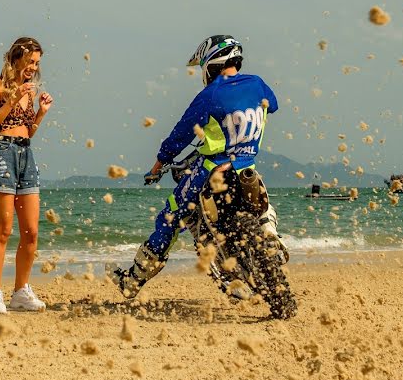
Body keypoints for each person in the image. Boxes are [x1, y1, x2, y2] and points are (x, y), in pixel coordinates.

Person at [109, 35, 284, 298]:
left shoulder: (210, 94)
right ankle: (270, 232)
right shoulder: (258, 85)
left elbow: (181, 134)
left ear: (211, 63)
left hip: (212, 167)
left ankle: (133, 280)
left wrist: (158, 164)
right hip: (247, 165)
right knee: (261, 204)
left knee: (169, 216)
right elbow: (274, 106)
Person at [0, 36, 53, 314]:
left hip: (26, 154)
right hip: (2, 152)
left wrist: (41, 115)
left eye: (37, 63)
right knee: (3, 230)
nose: (34, 67)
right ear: (16, 58)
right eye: (30, 61)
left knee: (31, 232)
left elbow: (27, 129)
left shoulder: (29, 92)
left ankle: (21, 291)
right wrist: (11, 100)